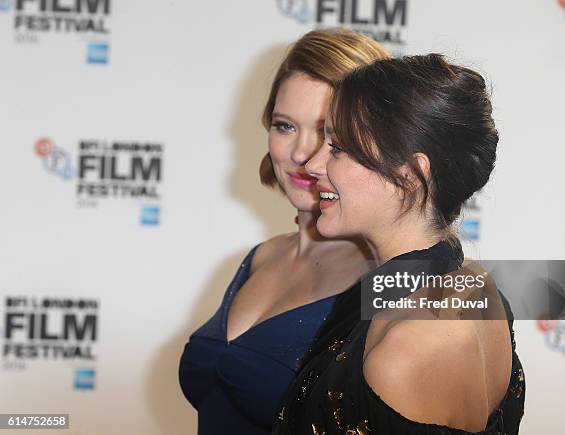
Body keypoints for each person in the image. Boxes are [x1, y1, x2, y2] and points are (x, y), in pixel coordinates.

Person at [274, 54, 525, 434]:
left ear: (410, 175)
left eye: (338, 148)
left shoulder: (407, 346)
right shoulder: (473, 287)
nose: (313, 165)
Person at [178, 29, 389, 435]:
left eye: (329, 133)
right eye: (285, 126)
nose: (301, 155)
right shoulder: (260, 258)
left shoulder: (387, 280)